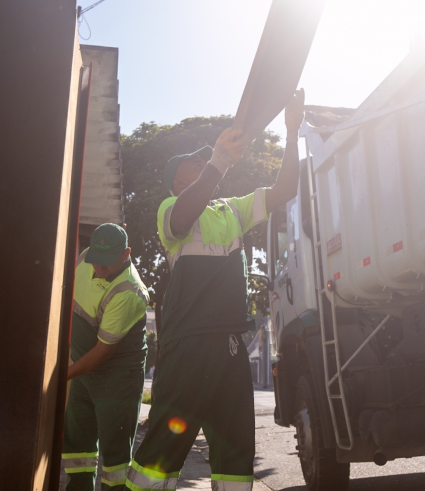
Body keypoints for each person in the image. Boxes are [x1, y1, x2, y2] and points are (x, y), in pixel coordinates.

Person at [125, 90, 304, 491]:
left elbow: (285, 189)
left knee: (235, 452)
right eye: (197, 164)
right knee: (161, 451)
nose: (207, 165)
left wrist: (292, 133)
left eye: (207, 161)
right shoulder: (170, 209)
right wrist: (220, 163)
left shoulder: (231, 209)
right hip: (187, 345)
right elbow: (183, 216)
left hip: (230, 346)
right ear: (178, 181)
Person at [62, 223, 150, 491]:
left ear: (126, 254)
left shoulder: (129, 292)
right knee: (77, 446)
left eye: (106, 263)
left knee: (115, 456)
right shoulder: (89, 256)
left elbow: (103, 351)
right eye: (96, 261)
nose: (98, 268)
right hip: (82, 370)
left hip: (116, 378)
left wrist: (61, 376)